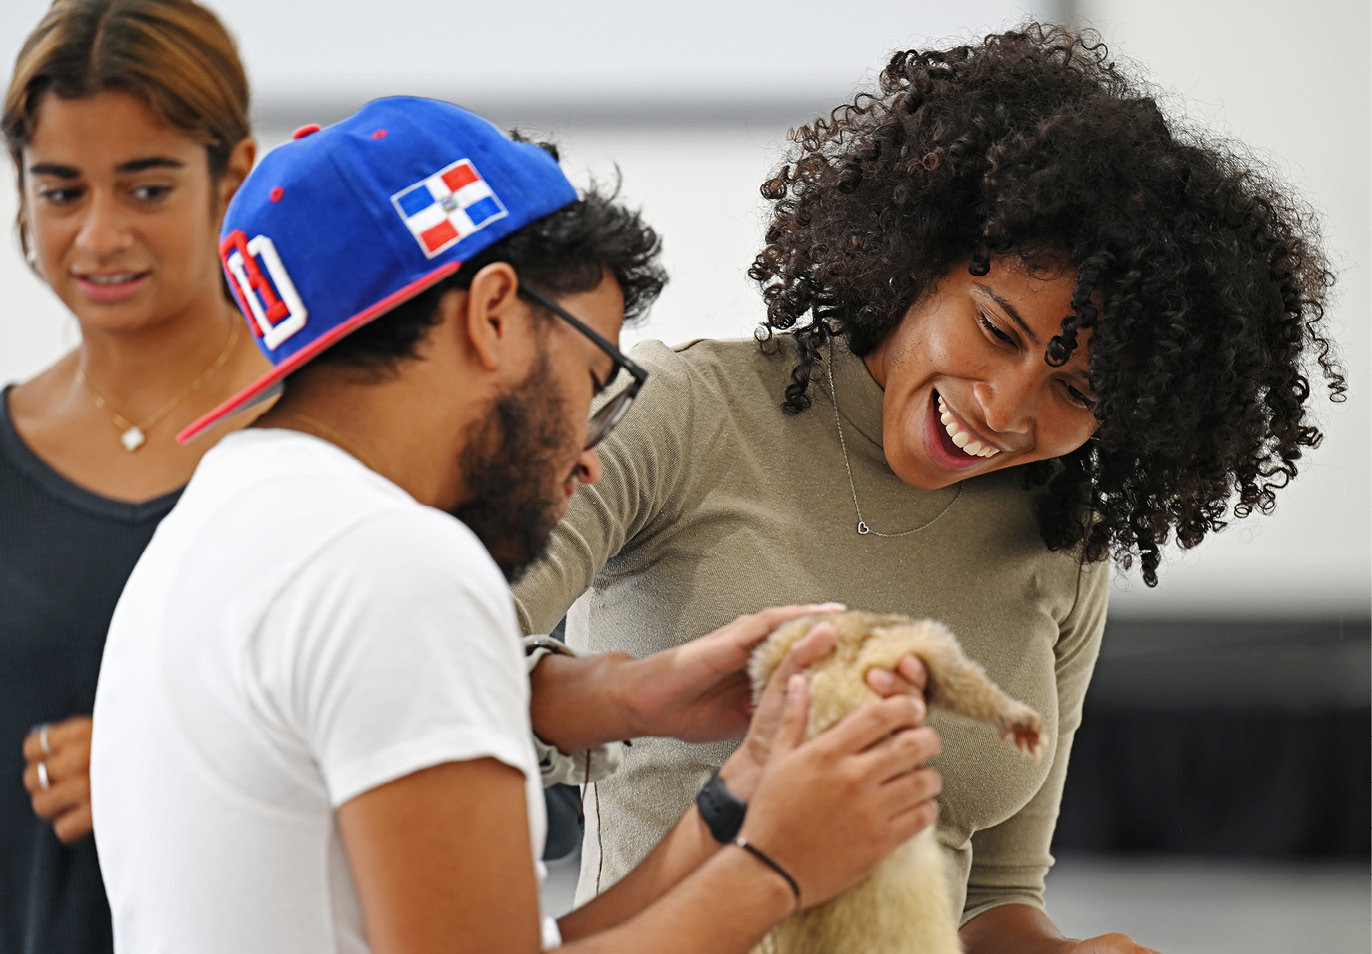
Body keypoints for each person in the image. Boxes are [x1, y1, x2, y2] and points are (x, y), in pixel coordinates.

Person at [510, 23, 1344, 954]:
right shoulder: (685, 413)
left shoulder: (1064, 539)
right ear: (917, 259)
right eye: (995, 331)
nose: (1005, 409)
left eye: (1076, 393)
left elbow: (992, 898)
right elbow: (448, 655)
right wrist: (634, 695)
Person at [89, 95, 944, 954]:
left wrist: (733, 811)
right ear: (492, 312)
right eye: (591, 376)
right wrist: (783, 868)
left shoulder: (217, 525)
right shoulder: (395, 564)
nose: (589, 457)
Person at [0, 1, 268, 951]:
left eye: (146, 189)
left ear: (232, 176)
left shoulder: (337, 432)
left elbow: (457, 727)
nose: (98, 237)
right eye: (60, 191)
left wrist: (178, 758)